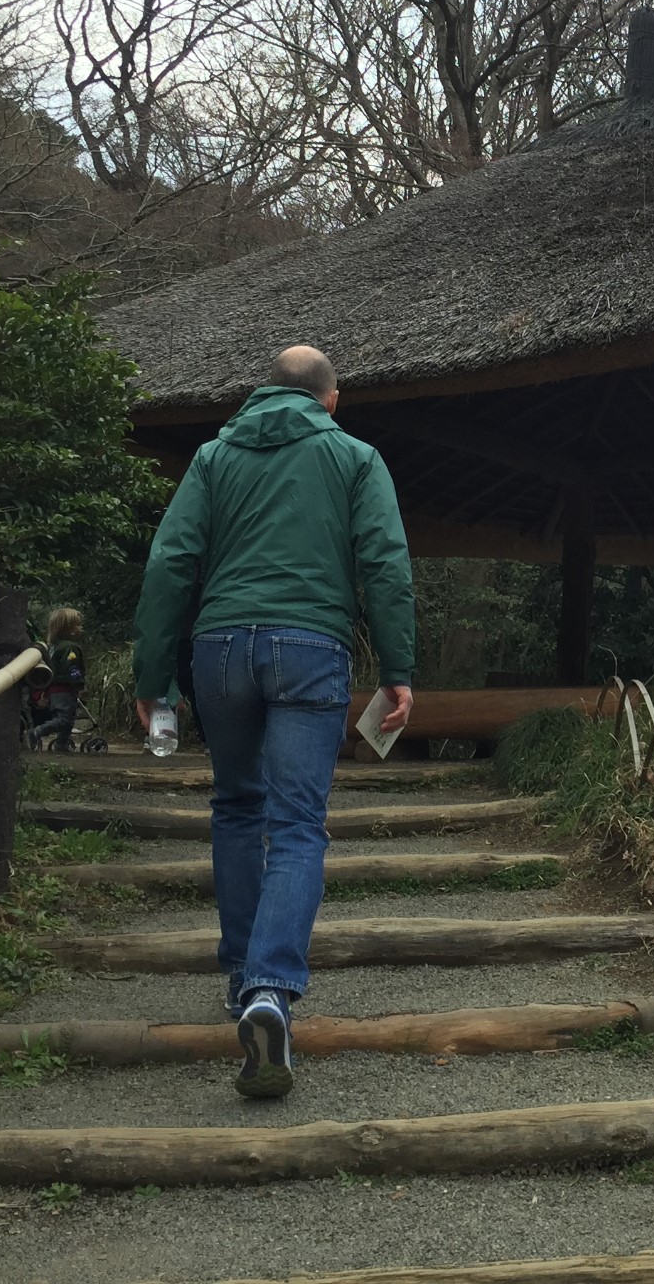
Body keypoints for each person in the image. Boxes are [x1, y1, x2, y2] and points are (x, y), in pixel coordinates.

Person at [132, 345, 416, 1099]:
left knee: (235, 806)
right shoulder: (354, 456)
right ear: (329, 399)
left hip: (219, 650)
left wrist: (152, 677)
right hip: (309, 648)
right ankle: (270, 989)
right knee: (297, 823)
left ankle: (239, 980)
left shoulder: (213, 455)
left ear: (263, 392)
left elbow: (171, 563)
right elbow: (384, 561)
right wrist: (397, 669)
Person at [33, 607, 86, 753]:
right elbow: (72, 668)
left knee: (67, 719)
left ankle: (61, 744)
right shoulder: (70, 648)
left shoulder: (53, 647)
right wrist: (79, 685)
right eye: (77, 625)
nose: (80, 628)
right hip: (64, 689)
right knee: (64, 719)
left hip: (53, 688)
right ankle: (36, 733)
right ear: (67, 628)